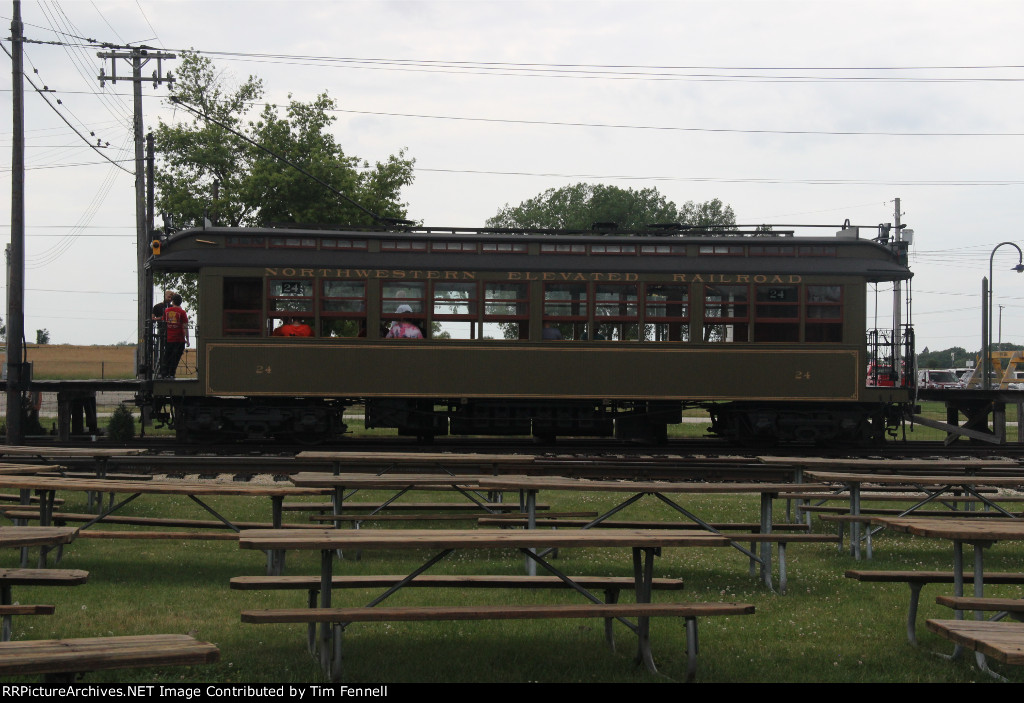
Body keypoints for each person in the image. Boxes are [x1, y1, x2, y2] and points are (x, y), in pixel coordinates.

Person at [160, 294, 190, 378]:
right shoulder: (182, 312)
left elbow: (163, 324)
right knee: (176, 357)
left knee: (168, 355)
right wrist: (187, 339)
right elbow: (185, 327)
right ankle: (172, 373)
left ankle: (164, 373)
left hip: (169, 338)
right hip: (179, 339)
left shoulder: (166, 311)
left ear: (172, 301)